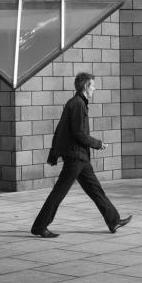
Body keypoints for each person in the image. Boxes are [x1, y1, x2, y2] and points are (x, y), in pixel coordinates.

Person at [31, 72, 131, 238]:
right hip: (76, 157)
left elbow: (63, 130)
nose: (95, 88)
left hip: (80, 158)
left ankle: (113, 220)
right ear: (85, 86)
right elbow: (79, 133)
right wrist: (98, 144)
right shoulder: (77, 104)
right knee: (59, 192)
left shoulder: (77, 103)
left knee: (96, 190)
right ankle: (40, 226)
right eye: (93, 85)